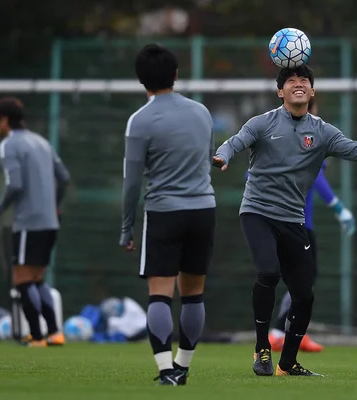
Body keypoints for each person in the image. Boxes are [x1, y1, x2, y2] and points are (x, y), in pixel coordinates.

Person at [213, 64, 357, 377]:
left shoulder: (323, 131)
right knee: (268, 271)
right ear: (280, 91)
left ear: (312, 91)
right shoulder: (262, 122)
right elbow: (234, 142)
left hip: (293, 220)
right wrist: (223, 156)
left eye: (304, 81)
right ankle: (262, 349)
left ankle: (288, 363)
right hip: (257, 211)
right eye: (291, 81)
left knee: (304, 293)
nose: (298, 84)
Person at [119, 43, 216, 386]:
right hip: (204, 210)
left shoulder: (140, 120)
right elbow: (208, 160)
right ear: (176, 75)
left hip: (164, 213)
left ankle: (165, 371)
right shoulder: (202, 112)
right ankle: (184, 366)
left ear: (141, 81)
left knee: (160, 294)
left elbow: (132, 183)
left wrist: (127, 228)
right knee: (193, 294)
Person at [0, 97, 70, 347]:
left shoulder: (9, 145)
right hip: (50, 222)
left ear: (4, 120)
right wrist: (54, 206)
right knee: (38, 278)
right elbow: (64, 177)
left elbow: (15, 185)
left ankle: (37, 338)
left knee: (21, 279)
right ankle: (54, 333)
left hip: (29, 223)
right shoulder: (41, 142)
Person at [267, 98, 356, 353]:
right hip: (298, 223)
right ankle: (284, 332)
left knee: (299, 280)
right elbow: (316, 176)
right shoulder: (306, 135)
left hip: (284, 220)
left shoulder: (275, 135)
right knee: (303, 281)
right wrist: (339, 208)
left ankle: (284, 332)